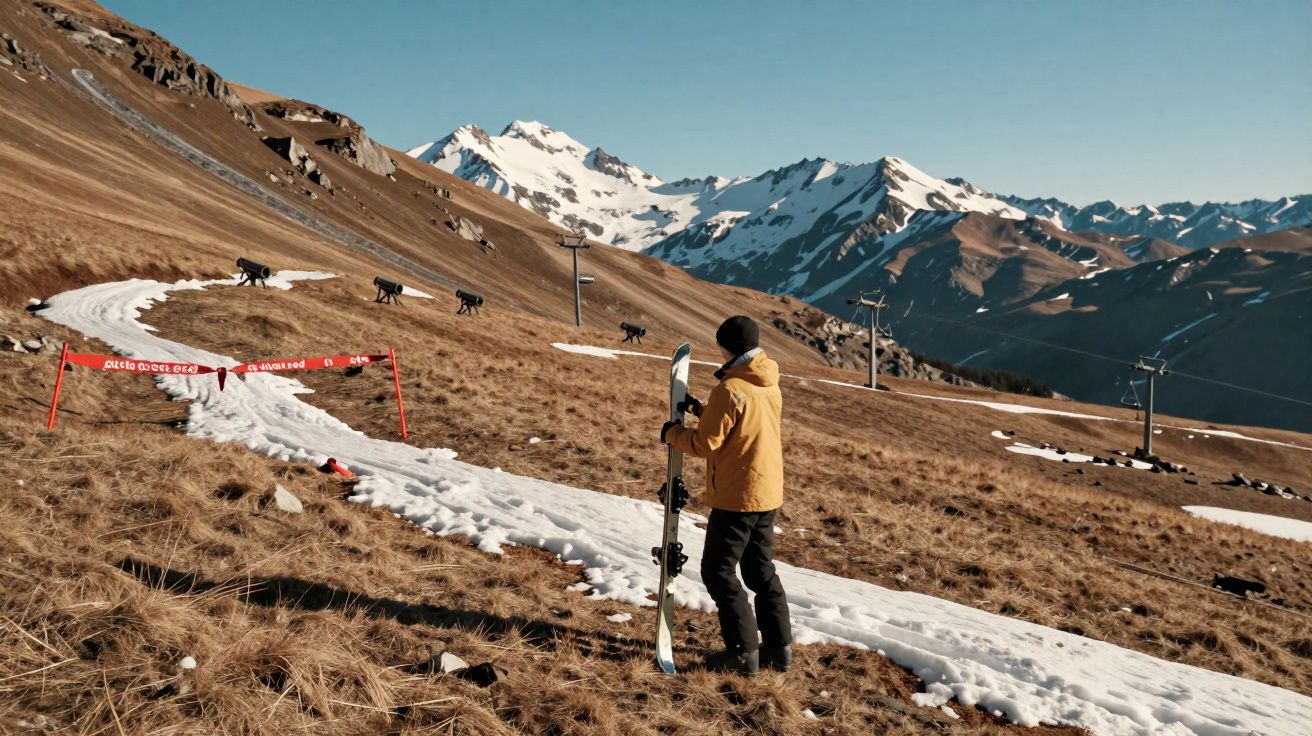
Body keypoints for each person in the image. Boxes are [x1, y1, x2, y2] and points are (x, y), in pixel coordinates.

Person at [660, 315, 793, 676]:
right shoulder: (768, 381)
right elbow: (743, 422)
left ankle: (741, 654)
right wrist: (702, 409)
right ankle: (779, 651)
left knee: (718, 572)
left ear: (726, 346)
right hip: (767, 492)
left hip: (737, 496)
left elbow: (706, 443)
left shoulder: (730, 388)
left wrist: (673, 433)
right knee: (760, 571)